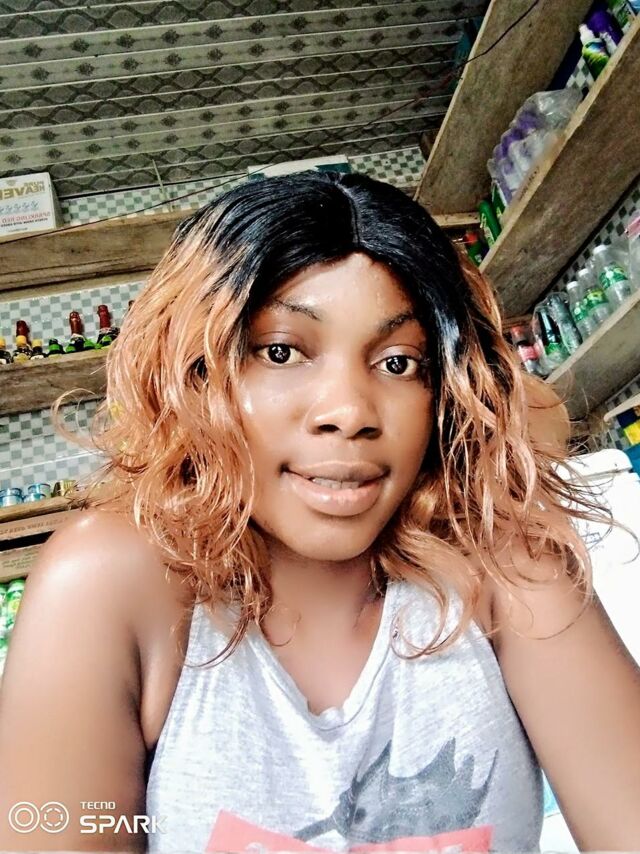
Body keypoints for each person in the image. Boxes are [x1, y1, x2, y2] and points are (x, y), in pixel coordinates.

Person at [0, 171, 639, 854]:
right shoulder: (109, 581)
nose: (349, 412)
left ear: (443, 391)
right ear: (197, 375)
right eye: (281, 352)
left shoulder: (505, 568)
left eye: (399, 363)